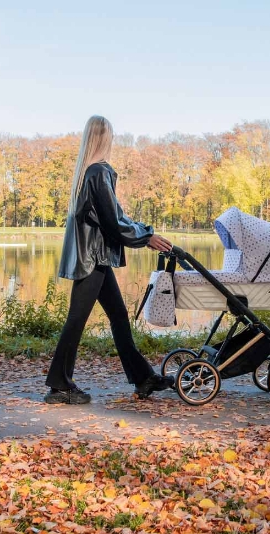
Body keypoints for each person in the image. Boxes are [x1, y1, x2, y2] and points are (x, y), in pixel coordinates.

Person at [44, 115, 174, 405]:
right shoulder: (99, 172)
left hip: (95, 257)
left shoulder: (89, 173)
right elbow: (114, 223)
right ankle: (59, 385)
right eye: (111, 137)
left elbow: (116, 217)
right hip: (93, 259)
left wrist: (143, 232)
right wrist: (146, 238)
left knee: (117, 316)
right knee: (76, 320)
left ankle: (143, 378)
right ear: (105, 138)